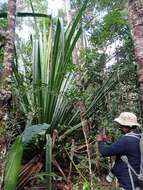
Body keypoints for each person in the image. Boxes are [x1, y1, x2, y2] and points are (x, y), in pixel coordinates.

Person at [96, 112, 141, 190]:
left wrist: (100, 141)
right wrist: (106, 142)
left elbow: (104, 152)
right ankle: (107, 179)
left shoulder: (126, 140)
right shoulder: (137, 138)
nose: (119, 127)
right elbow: (119, 149)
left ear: (126, 127)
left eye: (121, 125)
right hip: (136, 181)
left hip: (128, 184)